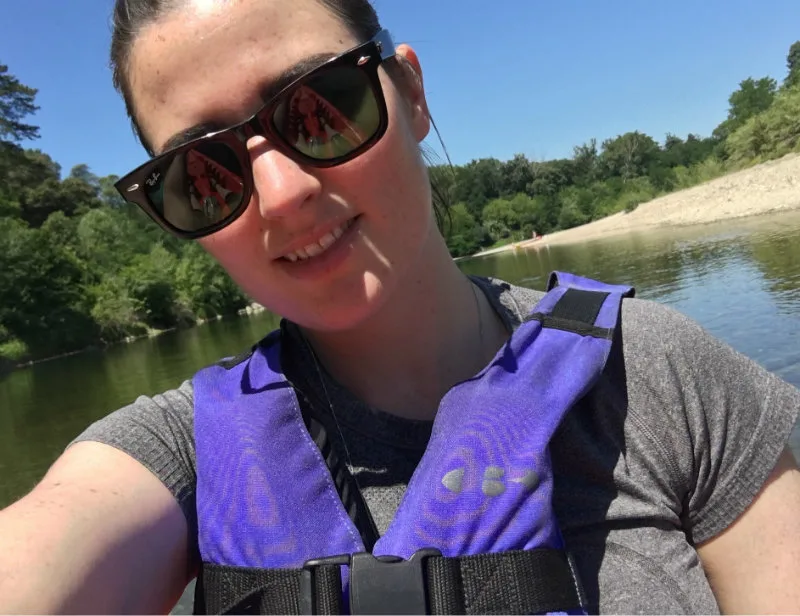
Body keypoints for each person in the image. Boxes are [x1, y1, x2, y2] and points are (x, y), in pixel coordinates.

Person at [1, 0, 800, 613]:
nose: (283, 196)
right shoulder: (178, 454)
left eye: (322, 107)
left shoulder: (657, 375)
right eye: (204, 174)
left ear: (410, 92)